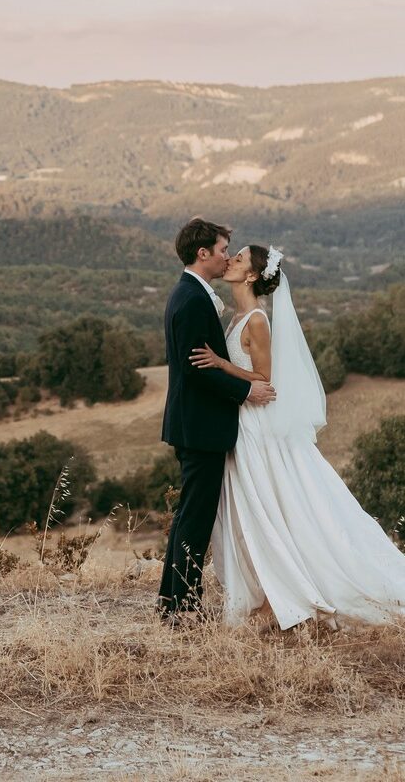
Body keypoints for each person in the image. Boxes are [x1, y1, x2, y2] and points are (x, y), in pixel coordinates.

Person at [194, 244, 405, 629]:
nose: (230, 262)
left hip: (256, 425)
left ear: (253, 275)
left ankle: (283, 594)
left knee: (268, 505)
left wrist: (222, 363)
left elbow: (264, 378)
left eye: (238, 259)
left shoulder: (257, 319)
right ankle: (264, 592)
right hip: (239, 423)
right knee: (251, 508)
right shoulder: (236, 317)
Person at [157, 218, 276, 623]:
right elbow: (195, 369)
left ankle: (174, 603)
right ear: (203, 253)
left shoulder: (193, 294)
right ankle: (182, 606)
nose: (228, 255)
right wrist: (245, 392)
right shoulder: (191, 299)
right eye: (224, 248)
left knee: (190, 514)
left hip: (198, 425)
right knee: (195, 516)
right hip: (200, 426)